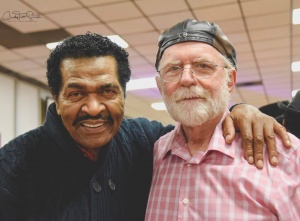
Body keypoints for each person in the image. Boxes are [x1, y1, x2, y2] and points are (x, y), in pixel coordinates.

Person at [0, 33, 291, 221]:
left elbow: (196, 130)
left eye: (107, 91)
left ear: (123, 95)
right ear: (57, 98)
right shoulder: (13, 165)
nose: (93, 108)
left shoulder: (145, 140)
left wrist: (238, 110)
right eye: (76, 94)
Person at [145, 19, 300, 220]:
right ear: (160, 86)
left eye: (203, 66)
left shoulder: (285, 155)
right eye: (173, 69)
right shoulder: (154, 155)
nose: (186, 79)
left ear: (230, 81)